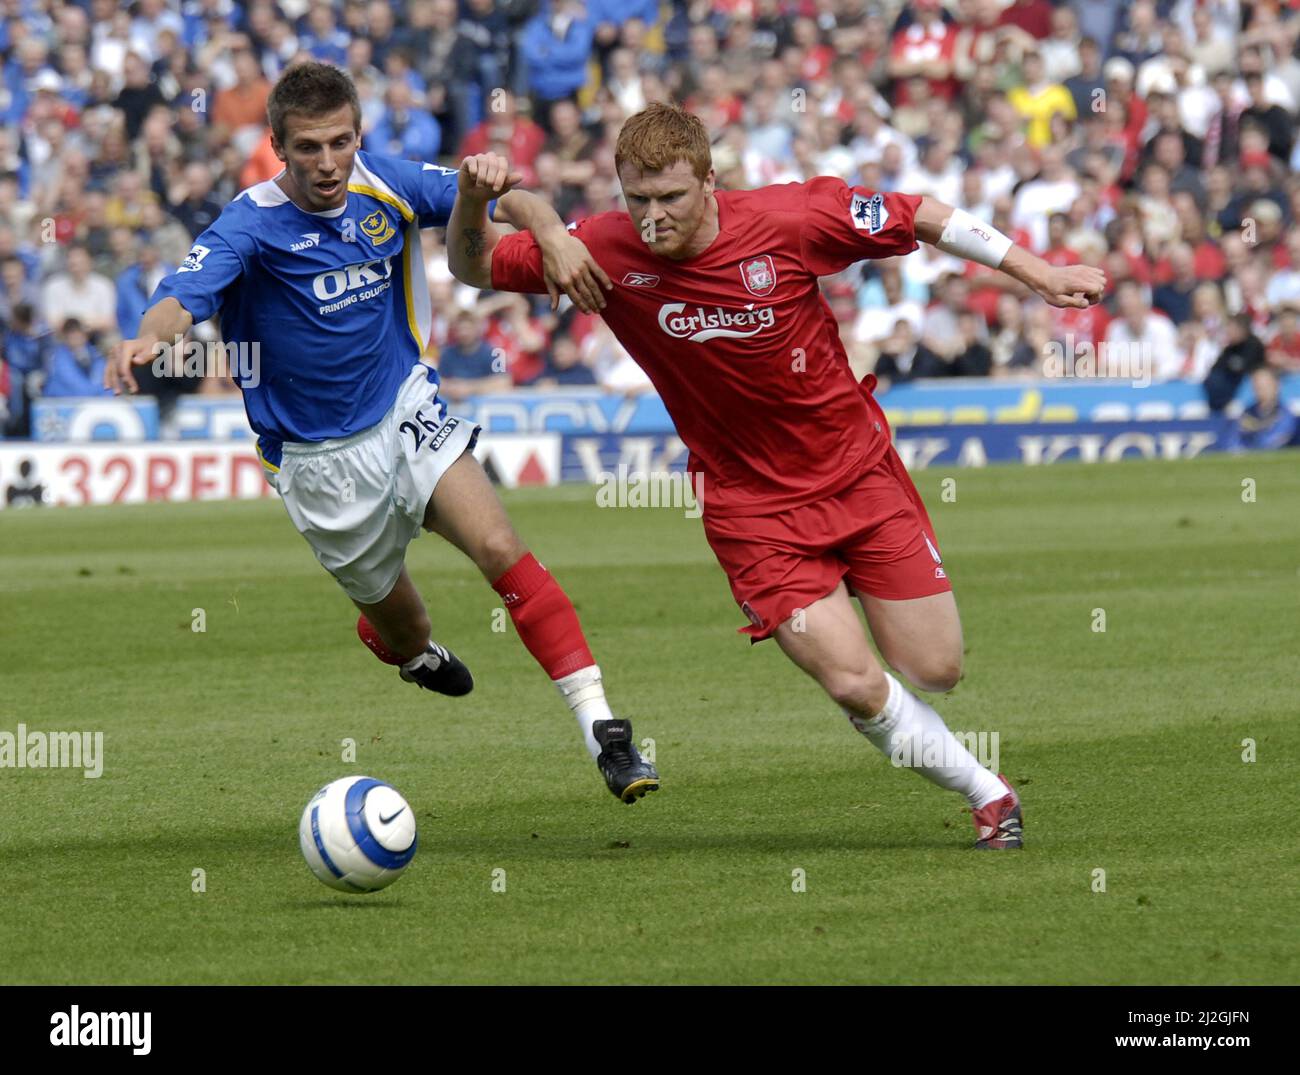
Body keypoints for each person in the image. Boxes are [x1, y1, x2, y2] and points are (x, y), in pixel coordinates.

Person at [450, 103, 1107, 849]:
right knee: (854, 682)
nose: (653, 217)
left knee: (937, 667)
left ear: (709, 180)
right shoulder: (598, 248)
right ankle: (989, 794)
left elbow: (921, 213)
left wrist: (1038, 272)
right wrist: (497, 206)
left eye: (671, 197)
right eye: (637, 200)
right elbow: (470, 264)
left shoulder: (794, 217)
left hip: (858, 472)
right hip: (750, 505)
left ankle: (879, 609)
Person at [104, 63, 657, 805]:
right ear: (277, 146)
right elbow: (181, 296)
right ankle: (402, 647)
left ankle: (603, 730)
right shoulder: (249, 223)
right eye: (308, 148)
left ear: (358, 134)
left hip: (404, 409)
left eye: (340, 142)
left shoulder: (385, 183)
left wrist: (547, 227)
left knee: (500, 546)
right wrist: (145, 339)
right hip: (316, 462)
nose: (328, 163)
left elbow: (502, 192)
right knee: (405, 627)